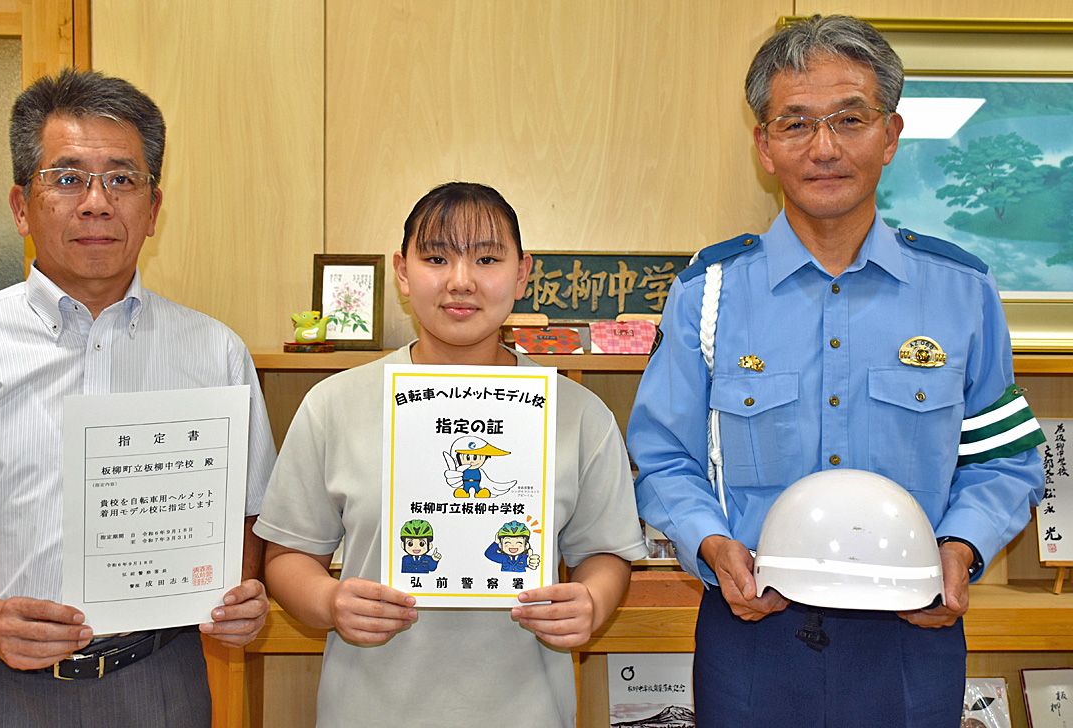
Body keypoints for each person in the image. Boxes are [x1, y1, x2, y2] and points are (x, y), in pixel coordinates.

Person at [627, 15, 1045, 728]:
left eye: (850, 118)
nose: (824, 147)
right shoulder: (709, 294)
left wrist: (962, 547)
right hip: (753, 625)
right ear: (763, 144)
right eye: (795, 124)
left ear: (890, 133)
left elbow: (1004, 458)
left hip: (912, 631)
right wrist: (710, 545)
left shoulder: (962, 292)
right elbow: (664, 456)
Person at [0, 69, 276, 727]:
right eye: (67, 178)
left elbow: (249, 515)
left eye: (122, 179)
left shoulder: (215, 352)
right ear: (19, 205)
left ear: (153, 207)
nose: (96, 202)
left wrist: (234, 596)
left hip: (161, 681)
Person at [257, 181, 648, 727]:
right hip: (368, 708)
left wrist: (593, 602)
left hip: (528, 710)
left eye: (486, 258)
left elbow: (605, 555)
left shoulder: (578, 415)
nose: (460, 281)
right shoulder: (334, 404)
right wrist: (330, 602)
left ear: (522, 273)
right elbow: (288, 557)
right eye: (436, 257)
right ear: (401, 271)